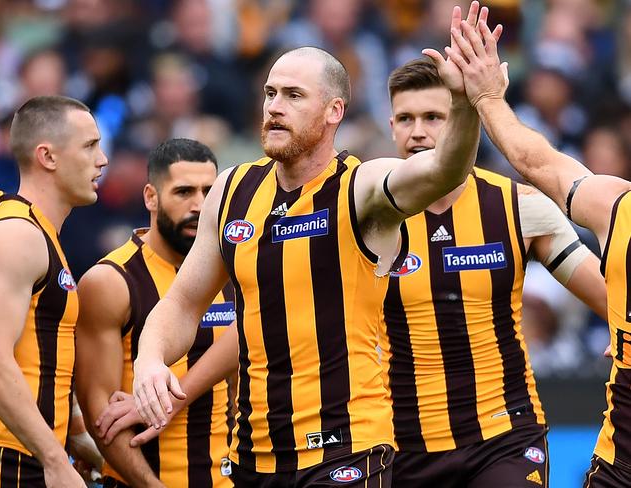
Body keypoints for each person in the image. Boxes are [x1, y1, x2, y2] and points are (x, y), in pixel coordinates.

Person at [131, 4, 498, 486]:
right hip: (255, 455)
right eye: (269, 93)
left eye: (293, 95)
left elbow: (443, 169)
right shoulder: (231, 189)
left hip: (347, 449)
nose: (274, 106)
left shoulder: (361, 187)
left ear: (333, 111)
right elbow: (182, 302)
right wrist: (150, 359)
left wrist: (468, 101)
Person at [380, 58, 607, 488]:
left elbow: (609, 295)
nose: (418, 132)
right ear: (391, 126)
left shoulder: (518, 207)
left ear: (464, 122)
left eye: (433, 117)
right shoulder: (368, 217)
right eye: (406, 119)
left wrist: (623, 330)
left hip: (504, 437)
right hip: (403, 444)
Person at [442, 9, 628, 487]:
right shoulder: (617, 207)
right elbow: (537, 162)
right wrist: (485, 97)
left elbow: (537, 162)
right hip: (618, 464)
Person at [75, 138, 235, 487]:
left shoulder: (232, 271)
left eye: (209, 192)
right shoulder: (112, 281)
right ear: (150, 197)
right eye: (183, 192)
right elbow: (99, 414)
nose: (199, 205)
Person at [0, 95, 108, 487]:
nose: (102, 160)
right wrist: (54, 460)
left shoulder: (41, 233)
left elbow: (37, 354)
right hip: (8, 457)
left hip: (29, 452)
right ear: (48, 157)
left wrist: (74, 434)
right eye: (89, 146)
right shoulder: (20, 233)